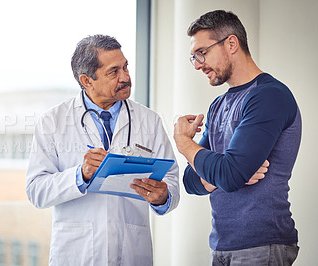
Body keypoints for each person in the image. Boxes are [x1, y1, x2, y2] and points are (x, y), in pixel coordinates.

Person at [26, 34, 180, 266]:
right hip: (78, 253)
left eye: (126, 67)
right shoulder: (53, 122)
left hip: (131, 252)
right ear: (87, 81)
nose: (126, 77)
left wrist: (163, 197)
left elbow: (172, 180)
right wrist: (81, 175)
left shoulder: (150, 121)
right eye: (113, 72)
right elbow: (37, 191)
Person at [173, 10, 301, 265]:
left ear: (231, 43)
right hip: (221, 245)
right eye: (193, 57)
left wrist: (184, 143)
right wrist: (224, 171)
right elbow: (190, 181)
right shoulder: (218, 105)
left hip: (262, 245)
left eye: (202, 52)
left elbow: (229, 174)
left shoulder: (268, 96)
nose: (197, 64)